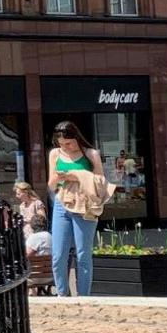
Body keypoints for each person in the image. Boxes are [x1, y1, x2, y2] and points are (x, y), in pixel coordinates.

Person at [47, 122, 110, 297]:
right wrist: (60, 178)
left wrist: (76, 175)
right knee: (58, 254)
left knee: (83, 254)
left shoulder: (90, 154)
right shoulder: (55, 154)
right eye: (61, 144)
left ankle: (84, 295)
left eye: (69, 143)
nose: (66, 147)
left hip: (84, 205)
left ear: (77, 138)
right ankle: (62, 294)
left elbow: (100, 182)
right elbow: (51, 185)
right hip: (63, 203)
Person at [12, 181, 52, 256]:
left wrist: (26, 220)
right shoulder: (22, 206)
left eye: (19, 194)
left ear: (26, 192)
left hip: (36, 234)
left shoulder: (37, 203)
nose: (17, 196)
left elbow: (42, 219)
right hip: (25, 234)